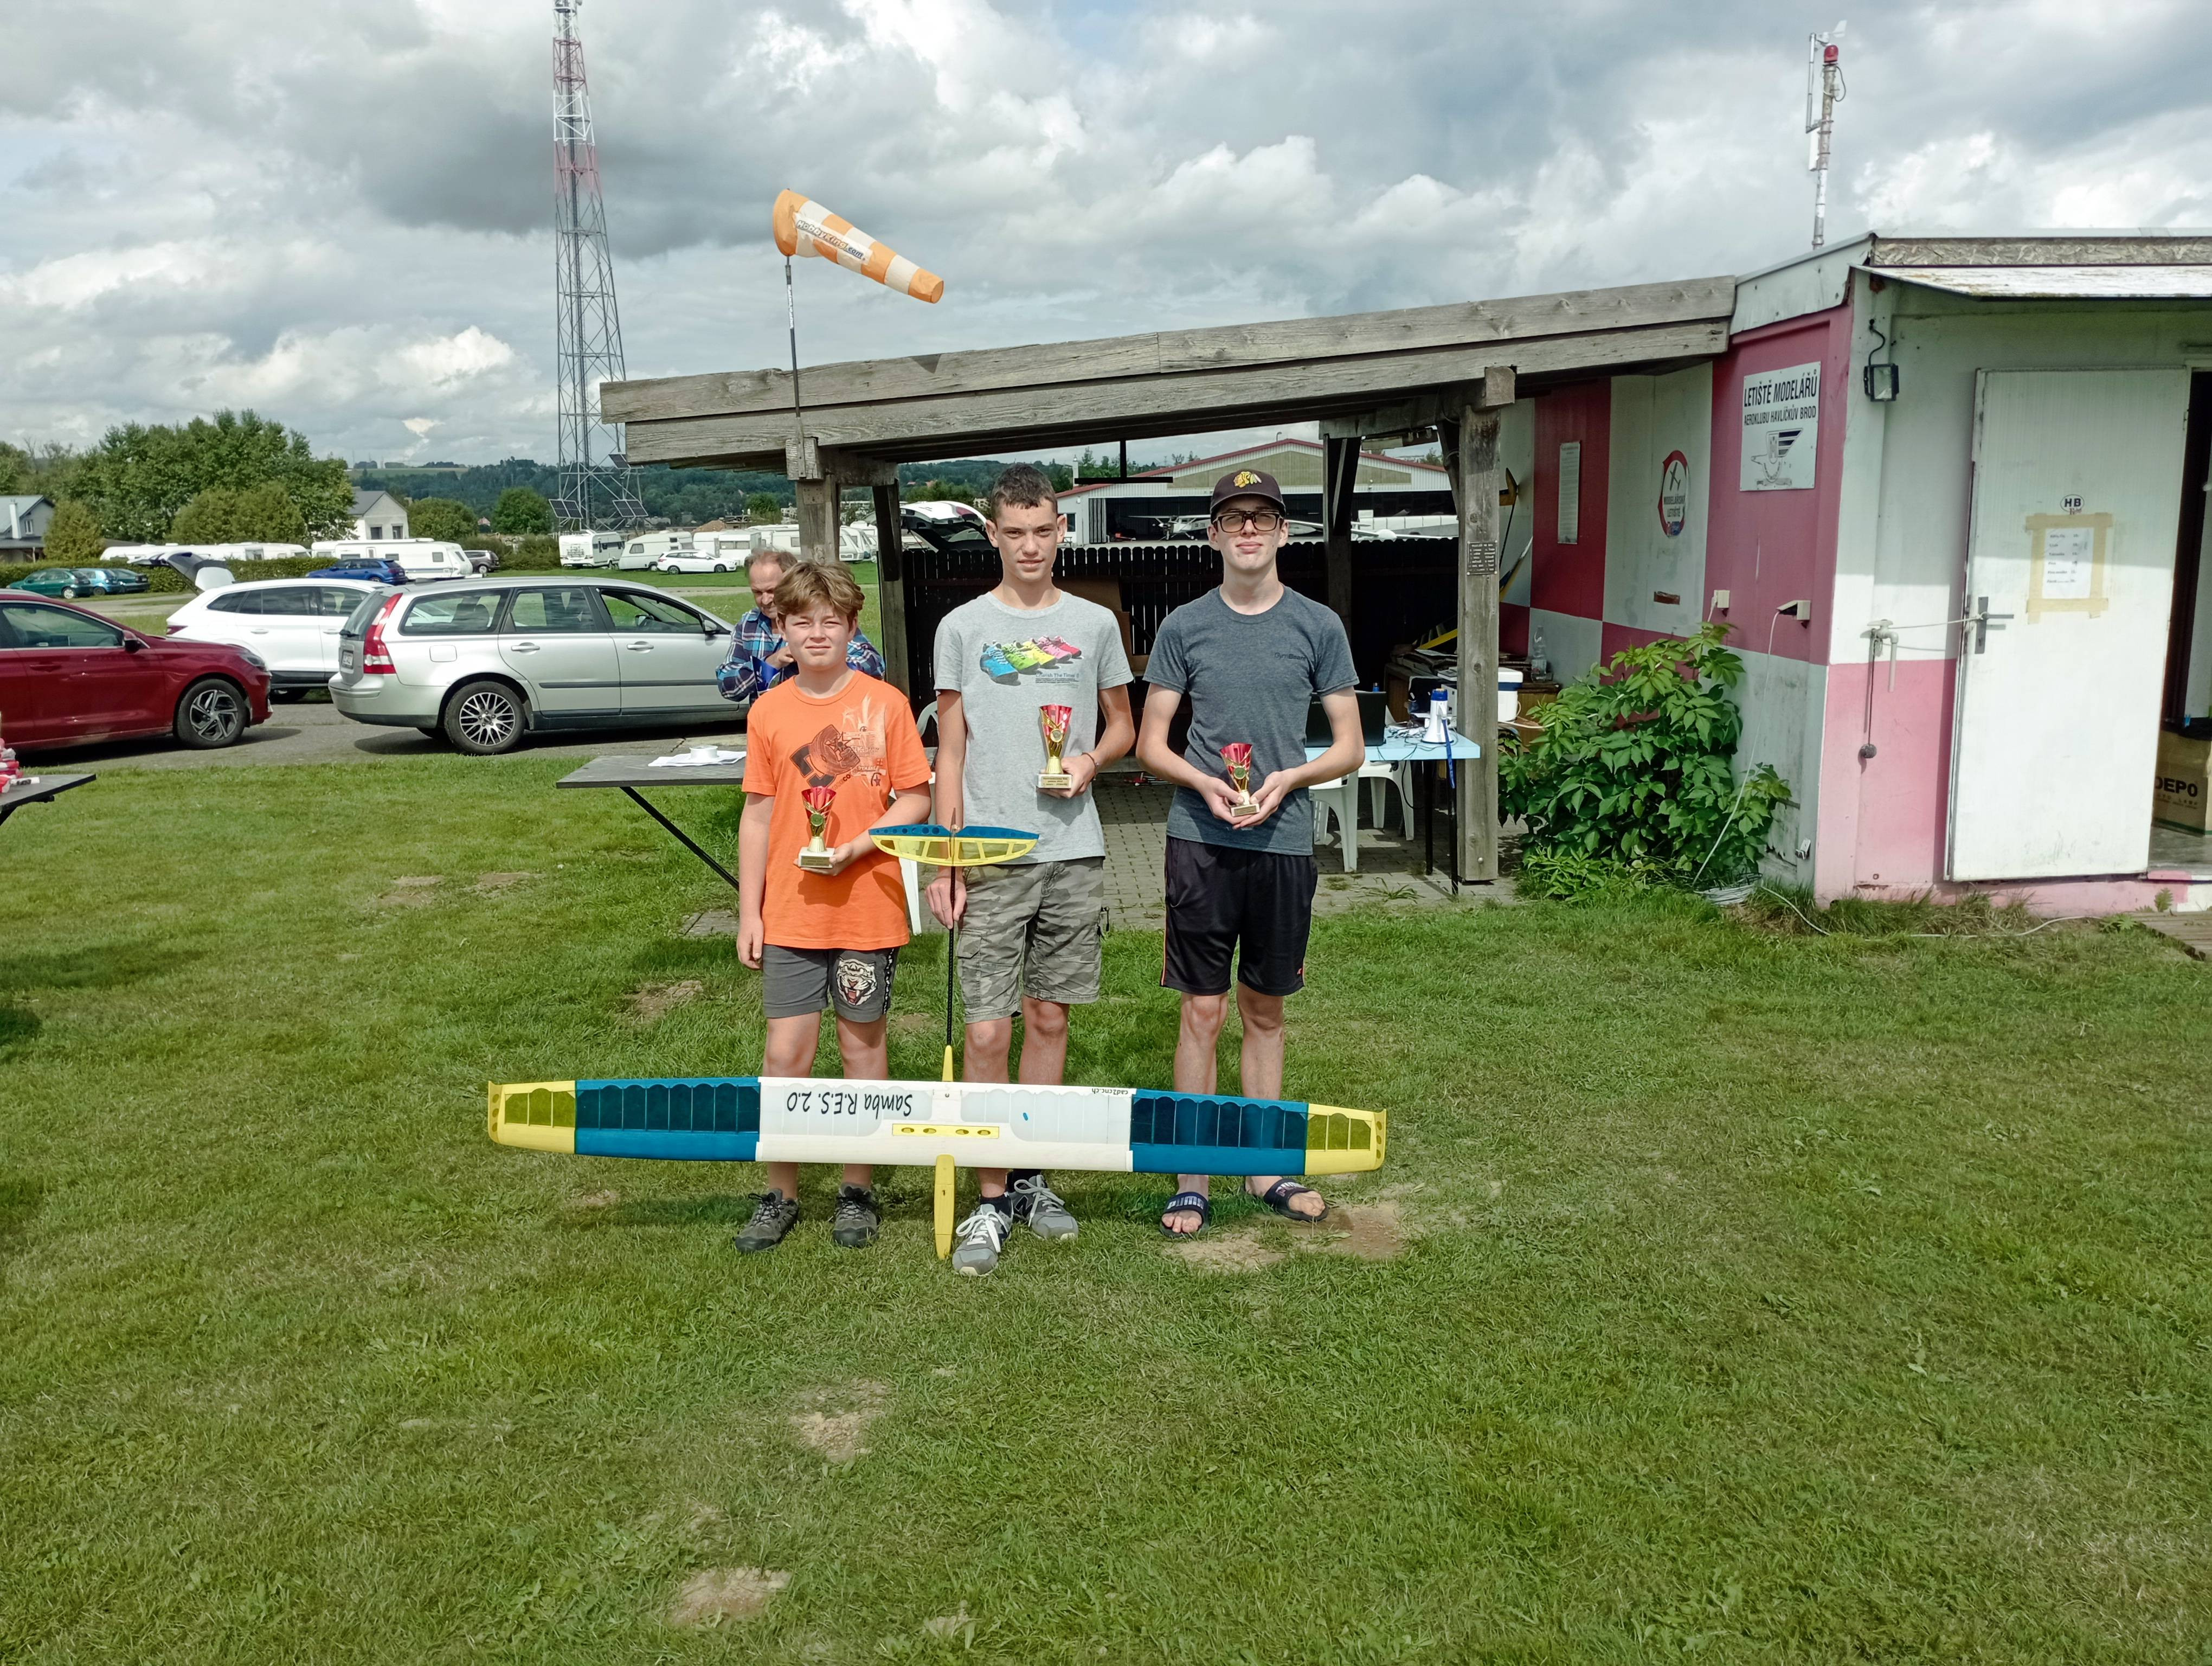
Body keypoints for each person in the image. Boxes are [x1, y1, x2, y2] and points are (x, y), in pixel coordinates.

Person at [1133, 467, 1365, 1238]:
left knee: (1265, 1010)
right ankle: (1192, 1174)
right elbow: (1151, 743)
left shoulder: (1318, 627)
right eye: (1233, 518)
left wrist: (1288, 778)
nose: (1248, 530)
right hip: (1201, 840)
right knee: (1202, 1010)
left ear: (1283, 533)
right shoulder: (1184, 626)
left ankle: (1267, 1168)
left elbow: (1350, 747)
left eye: (1262, 517)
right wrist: (1204, 783)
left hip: (1283, 839)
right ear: (1213, 535)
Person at [928, 465, 1136, 1276]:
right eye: (1014, 533)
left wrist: (1089, 761)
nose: (1029, 547)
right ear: (993, 536)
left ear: (1061, 531)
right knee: (987, 1027)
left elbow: (1121, 726)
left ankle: (1030, 1179)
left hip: (1073, 851)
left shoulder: (1094, 624)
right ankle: (989, 1197)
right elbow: (950, 752)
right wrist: (945, 861)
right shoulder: (961, 629)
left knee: (1050, 1020)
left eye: (1042, 531)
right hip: (990, 854)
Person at [732, 560, 933, 1252]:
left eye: (830, 622)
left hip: (867, 907)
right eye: (801, 622)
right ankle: (780, 1192)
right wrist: (750, 911)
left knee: (861, 1048)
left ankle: (856, 1188)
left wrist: (857, 847)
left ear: (852, 627)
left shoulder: (886, 704)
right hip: (791, 911)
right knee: (786, 1053)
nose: (816, 634)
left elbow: (916, 797)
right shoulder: (768, 710)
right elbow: (758, 815)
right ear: (781, 629)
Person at [717, 547, 885, 704]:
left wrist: (822, 661)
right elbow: (727, 687)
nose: (766, 600)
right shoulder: (748, 624)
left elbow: (875, 665)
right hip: (767, 720)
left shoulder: (821, 620)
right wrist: (769, 665)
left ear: (791, 584)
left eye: (772, 591)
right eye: (758, 593)